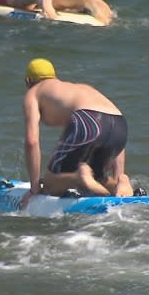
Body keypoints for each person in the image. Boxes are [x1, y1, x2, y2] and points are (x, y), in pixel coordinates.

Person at [21, 58, 134, 208]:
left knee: (50, 183)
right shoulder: (78, 89)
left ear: (28, 81)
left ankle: (78, 179)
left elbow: (32, 140)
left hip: (88, 120)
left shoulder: (34, 93)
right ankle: (120, 182)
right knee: (98, 178)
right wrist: (118, 175)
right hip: (120, 123)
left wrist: (34, 188)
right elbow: (107, 122)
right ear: (54, 76)